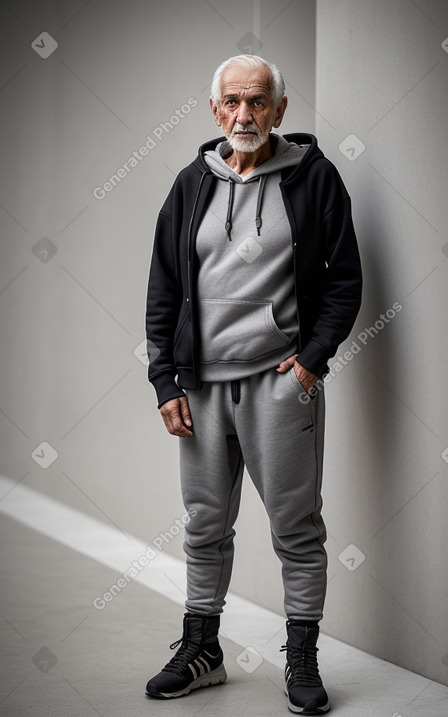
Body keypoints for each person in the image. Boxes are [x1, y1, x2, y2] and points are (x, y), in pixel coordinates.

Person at [144, 53, 362, 715]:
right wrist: (165, 380)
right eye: (233, 102)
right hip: (202, 387)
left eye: (258, 102)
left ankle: (300, 656)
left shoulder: (315, 179)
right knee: (204, 526)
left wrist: (310, 361)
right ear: (215, 110)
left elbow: (345, 282)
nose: (245, 114)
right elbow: (163, 288)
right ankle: (201, 648)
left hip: (279, 385)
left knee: (296, 527)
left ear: (279, 110)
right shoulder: (191, 184)